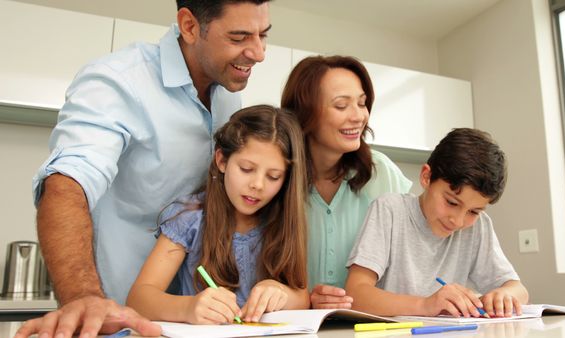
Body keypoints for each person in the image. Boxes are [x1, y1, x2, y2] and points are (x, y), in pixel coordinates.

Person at [17, 1, 271, 337]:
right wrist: (83, 298)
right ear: (190, 26)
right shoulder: (119, 82)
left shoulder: (227, 95)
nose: (258, 53)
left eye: (262, 35)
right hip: (115, 322)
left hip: (191, 325)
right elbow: (66, 184)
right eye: (239, 37)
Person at [126, 105, 309, 323]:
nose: (257, 185)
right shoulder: (189, 217)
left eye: (274, 176)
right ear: (221, 161)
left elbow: (302, 297)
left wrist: (281, 293)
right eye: (246, 169)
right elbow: (139, 299)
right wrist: (188, 308)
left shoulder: (280, 221)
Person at [344, 128, 529, 317]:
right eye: (451, 202)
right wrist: (425, 305)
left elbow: (519, 290)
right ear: (426, 177)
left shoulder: (478, 227)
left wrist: (503, 295)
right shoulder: (389, 210)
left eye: (473, 211)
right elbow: (356, 293)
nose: (457, 221)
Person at [281, 56, 413, 309]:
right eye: (341, 106)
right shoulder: (277, 176)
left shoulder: (382, 172)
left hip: (371, 325)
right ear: (304, 112)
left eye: (362, 103)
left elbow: (414, 248)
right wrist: (305, 301)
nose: (358, 116)